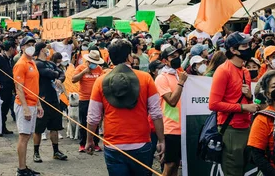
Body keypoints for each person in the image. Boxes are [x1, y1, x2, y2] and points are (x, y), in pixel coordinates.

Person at [86, 39, 165, 176]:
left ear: (110, 57)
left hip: (113, 144)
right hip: (141, 143)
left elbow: (93, 117)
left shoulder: (100, 81)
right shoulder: (145, 78)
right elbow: (156, 113)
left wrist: (89, 140)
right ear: (129, 57)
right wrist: (161, 140)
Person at [209, 32, 260, 176]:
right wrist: (244, 107)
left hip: (246, 127)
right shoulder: (223, 71)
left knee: (243, 169)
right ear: (233, 50)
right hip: (230, 130)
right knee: (233, 171)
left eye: (248, 45)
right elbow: (213, 104)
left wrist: (249, 97)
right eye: (244, 45)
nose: (249, 48)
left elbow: (247, 99)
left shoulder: (245, 71)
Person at [32, 42, 68, 163]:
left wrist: (59, 78)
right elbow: (48, 73)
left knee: (55, 127)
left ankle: (56, 151)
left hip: (54, 99)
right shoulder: (37, 64)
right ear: (42, 50)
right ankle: (36, 152)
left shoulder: (51, 63)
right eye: (46, 48)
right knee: (38, 128)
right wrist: (57, 75)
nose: (48, 50)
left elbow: (62, 74)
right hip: (42, 99)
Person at [14, 36, 44, 176]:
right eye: (28, 44)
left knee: (28, 135)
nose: (31, 46)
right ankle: (21, 169)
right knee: (24, 136)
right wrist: (25, 108)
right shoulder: (21, 64)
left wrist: (38, 104)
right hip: (24, 104)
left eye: (33, 44)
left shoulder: (32, 62)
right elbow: (19, 88)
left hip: (33, 103)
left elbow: (34, 86)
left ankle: (24, 166)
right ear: (22, 47)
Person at [155, 46, 188, 176]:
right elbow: (172, 101)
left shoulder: (178, 74)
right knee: (170, 165)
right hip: (170, 127)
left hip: (183, 127)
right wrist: (181, 83)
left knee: (176, 165)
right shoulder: (162, 78)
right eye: (172, 57)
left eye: (178, 56)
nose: (177, 59)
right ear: (165, 61)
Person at [72, 49, 104, 152]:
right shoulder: (80, 67)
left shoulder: (99, 69)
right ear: (88, 61)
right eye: (93, 62)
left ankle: (95, 143)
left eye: (96, 62)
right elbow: (73, 79)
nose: (94, 65)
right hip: (84, 99)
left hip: (96, 99)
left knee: (96, 121)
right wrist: (84, 72)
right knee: (83, 122)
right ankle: (82, 143)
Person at [0, 40, 16, 137]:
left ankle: (3, 126)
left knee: (5, 107)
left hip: (8, 87)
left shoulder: (9, 58)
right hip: (0, 87)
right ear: (11, 48)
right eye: (14, 48)